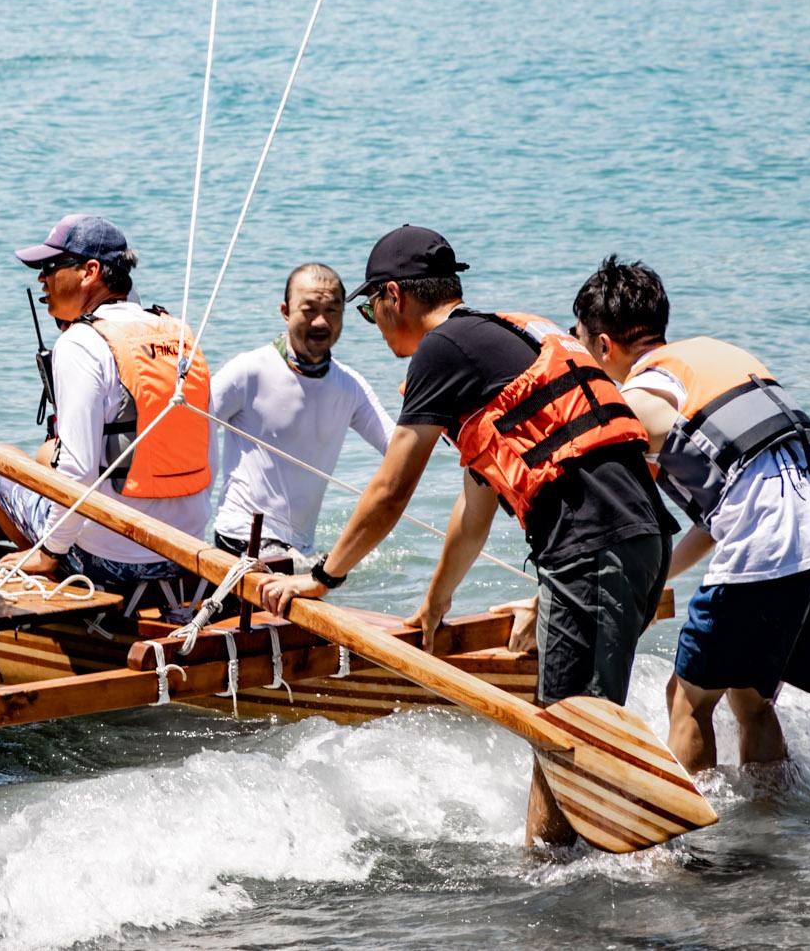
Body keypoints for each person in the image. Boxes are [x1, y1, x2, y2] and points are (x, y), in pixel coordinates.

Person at [261, 226, 676, 847]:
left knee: (565, 736)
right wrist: (435, 602)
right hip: (640, 540)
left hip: (592, 549)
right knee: (576, 724)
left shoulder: (441, 349)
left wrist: (322, 578)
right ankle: (590, 868)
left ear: (395, 296)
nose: (374, 325)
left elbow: (390, 489)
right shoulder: (501, 337)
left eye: (370, 310)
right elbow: (474, 510)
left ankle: (569, 877)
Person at [572, 255, 810, 773]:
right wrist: (657, 581)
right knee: (751, 701)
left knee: (687, 700)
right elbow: (719, 517)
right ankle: (770, 818)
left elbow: (616, 522)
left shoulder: (634, 401)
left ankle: (694, 826)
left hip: (767, 550)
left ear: (604, 346)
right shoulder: (719, 355)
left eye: (580, 342)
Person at [0, 215, 214, 600]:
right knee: (45, 454)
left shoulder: (80, 342)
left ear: (90, 272)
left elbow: (77, 471)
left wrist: (51, 551)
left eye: (50, 267)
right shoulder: (180, 334)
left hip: (110, 560)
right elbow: (207, 453)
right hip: (187, 549)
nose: (42, 280)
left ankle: (50, 570)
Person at [207, 264, 391, 563]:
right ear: (285, 311)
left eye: (332, 311)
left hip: (298, 548)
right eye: (309, 310)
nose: (320, 322)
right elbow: (187, 427)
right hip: (241, 537)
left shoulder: (350, 386)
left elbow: (398, 447)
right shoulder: (249, 371)